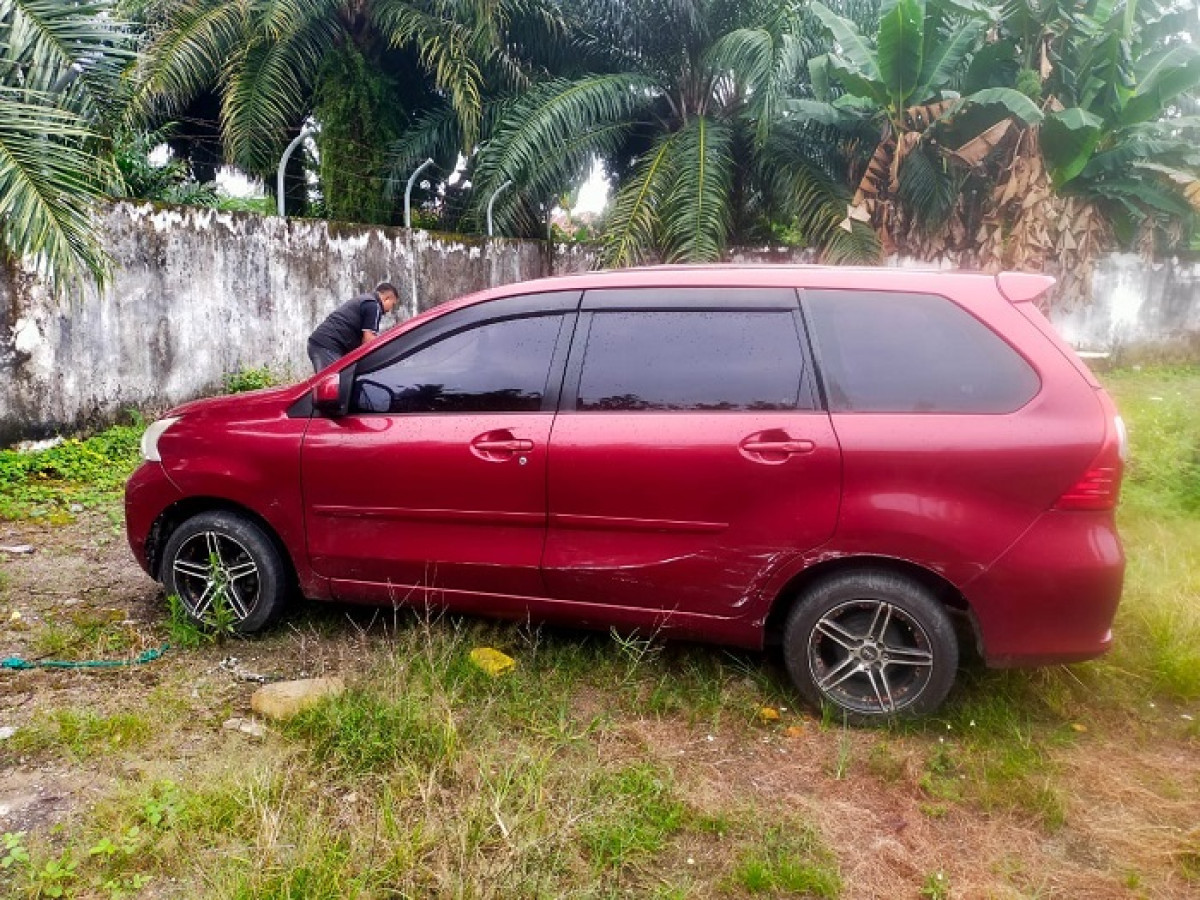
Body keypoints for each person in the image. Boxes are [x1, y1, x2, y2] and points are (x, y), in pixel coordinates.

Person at [307, 282, 400, 373]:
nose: (390, 310)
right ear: (387, 298)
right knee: (333, 380)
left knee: (336, 379)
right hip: (327, 345)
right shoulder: (373, 306)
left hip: (323, 344)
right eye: (392, 305)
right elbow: (368, 340)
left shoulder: (365, 300)